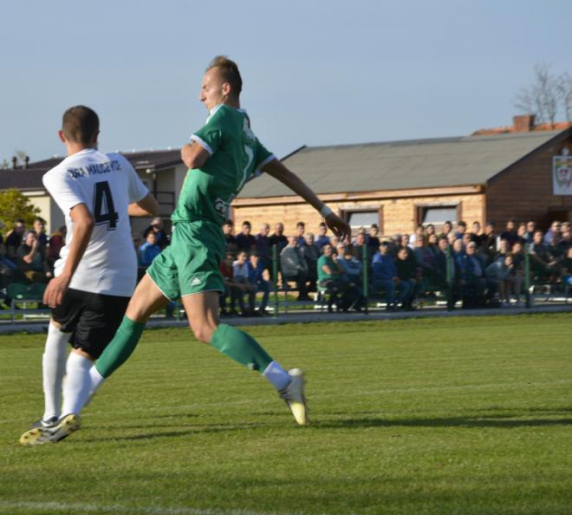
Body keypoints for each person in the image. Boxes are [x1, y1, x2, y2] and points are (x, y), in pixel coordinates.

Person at [31, 57, 351, 443]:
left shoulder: (224, 120)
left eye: (205, 86)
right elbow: (285, 172)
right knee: (134, 314)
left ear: (225, 89)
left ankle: (285, 381)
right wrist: (324, 209)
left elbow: (191, 157)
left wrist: (192, 142)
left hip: (198, 234)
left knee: (204, 328)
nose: (200, 94)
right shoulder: (248, 134)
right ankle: (72, 410)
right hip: (185, 236)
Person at [19, 105, 159, 445]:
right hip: (120, 278)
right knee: (83, 355)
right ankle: (69, 414)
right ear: (97, 135)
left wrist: (64, 274)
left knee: (56, 336)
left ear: (61, 136)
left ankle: (52, 414)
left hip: (80, 274)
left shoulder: (57, 174)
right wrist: (118, 212)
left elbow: (83, 220)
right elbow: (151, 208)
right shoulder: (119, 162)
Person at [371, 241, 409, 311]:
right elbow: (377, 273)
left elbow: (394, 269)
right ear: (380, 247)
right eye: (384, 246)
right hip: (379, 281)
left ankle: (396, 302)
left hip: (392, 279)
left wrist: (396, 277)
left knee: (405, 285)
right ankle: (389, 305)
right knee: (390, 285)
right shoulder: (377, 259)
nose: (386, 247)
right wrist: (390, 278)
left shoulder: (389, 258)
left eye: (387, 246)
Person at [280, 235, 310, 300]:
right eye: (293, 241)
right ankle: (302, 296)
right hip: (289, 272)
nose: (295, 242)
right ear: (289, 241)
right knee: (303, 275)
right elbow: (290, 263)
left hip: (298, 271)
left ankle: (305, 295)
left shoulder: (297, 250)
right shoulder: (285, 251)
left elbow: (302, 260)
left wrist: (305, 268)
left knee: (311, 276)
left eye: (296, 241)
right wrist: (300, 268)